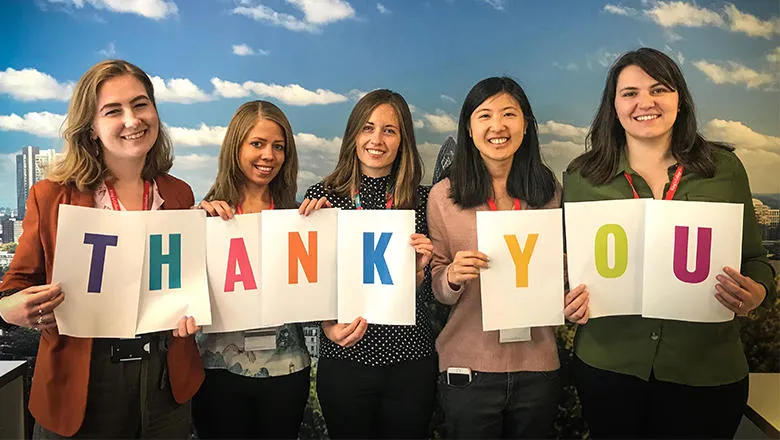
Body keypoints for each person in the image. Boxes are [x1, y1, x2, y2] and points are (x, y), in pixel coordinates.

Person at [563, 47, 776, 439]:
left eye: (659, 89)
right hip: (608, 370)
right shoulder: (582, 176)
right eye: (630, 93)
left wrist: (757, 291)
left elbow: (756, 259)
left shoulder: (723, 169)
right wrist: (566, 300)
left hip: (706, 373)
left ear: (680, 99)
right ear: (614, 105)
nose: (645, 102)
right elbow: (568, 268)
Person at [0, 59, 203, 438]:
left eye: (141, 104)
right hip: (80, 383)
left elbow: (182, 280)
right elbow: (14, 286)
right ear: (91, 128)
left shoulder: (178, 194)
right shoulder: (51, 196)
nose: (132, 120)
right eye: (113, 111)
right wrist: (12, 308)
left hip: (163, 382)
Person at [426, 76, 562, 438]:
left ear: (526, 125)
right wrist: (452, 275)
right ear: (469, 129)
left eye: (509, 114)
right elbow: (437, 282)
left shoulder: (549, 191)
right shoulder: (444, 196)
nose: (497, 126)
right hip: (468, 371)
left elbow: (560, 274)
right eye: (484, 115)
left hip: (538, 366)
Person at [299, 89, 437, 438]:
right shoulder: (323, 196)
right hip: (345, 360)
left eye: (389, 130)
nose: (377, 139)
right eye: (368, 127)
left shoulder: (423, 200)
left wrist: (421, 271)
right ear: (353, 135)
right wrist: (327, 326)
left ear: (403, 139)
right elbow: (309, 278)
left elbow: (433, 290)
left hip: (410, 360)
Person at [194, 100, 311, 439]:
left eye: (278, 146)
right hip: (218, 373)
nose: (269, 156)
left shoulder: (298, 215)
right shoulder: (208, 214)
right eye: (257, 144)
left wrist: (324, 225)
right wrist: (197, 225)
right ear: (236, 147)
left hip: (287, 372)